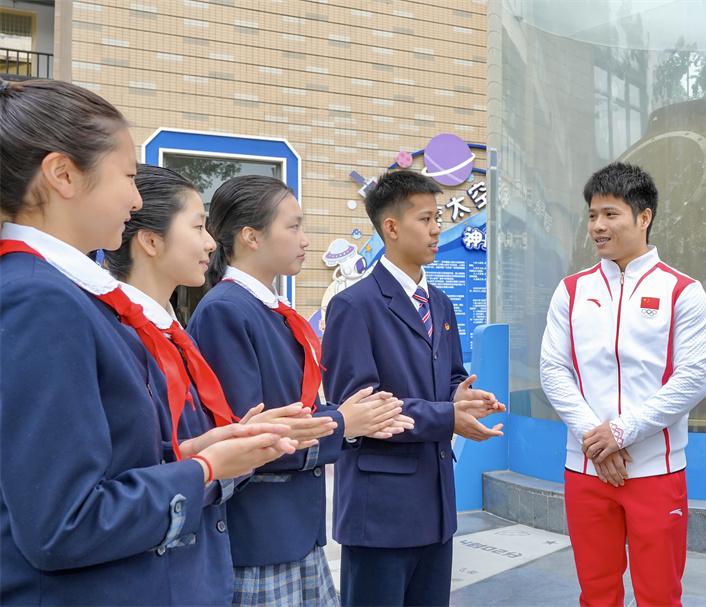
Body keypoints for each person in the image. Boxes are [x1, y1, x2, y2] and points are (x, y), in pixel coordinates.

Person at [0, 78, 293, 605]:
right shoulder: (40, 299)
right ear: (63, 175)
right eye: (129, 176)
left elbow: (104, 464)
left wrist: (191, 452)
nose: (136, 199)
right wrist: (203, 470)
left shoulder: (65, 295)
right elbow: (64, 523)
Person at [187, 174, 410, 606]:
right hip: (259, 540)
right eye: (293, 226)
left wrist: (344, 417)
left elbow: (295, 412)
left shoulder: (266, 309)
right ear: (251, 236)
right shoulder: (225, 311)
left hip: (295, 532)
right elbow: (248, 436)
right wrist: (343, 423)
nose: (305, 239)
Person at [105, 163, 322, 604]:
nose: (210, 242)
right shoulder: (119, 330)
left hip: (206, 556)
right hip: (177, 562)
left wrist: (223, 445)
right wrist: (213, 460)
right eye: (197, 226)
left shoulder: (172, 333)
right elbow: (122, 477)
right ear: (150, 241)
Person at [322, 170, 505, 607]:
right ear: (391, 227)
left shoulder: (439, 303)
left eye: (438, 217)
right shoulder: (353, 306)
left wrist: (463, 397)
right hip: (380, 512)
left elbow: (452, 375)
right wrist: (448, 417)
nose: (437, 228)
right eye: (425, 219)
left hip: (435, 506)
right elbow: (364, 408)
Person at [539, 162, 706, 607]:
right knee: (596, 593)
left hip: (655, 471)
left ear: (644, 217)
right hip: (586, 469)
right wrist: (596, 440)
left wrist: (621, 432)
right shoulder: (571, 291)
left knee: (660, 595)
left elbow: (693, 379)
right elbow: (554, 370)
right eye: (592, 215)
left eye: (610, 214)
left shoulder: (683, 291)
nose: (598, 226)